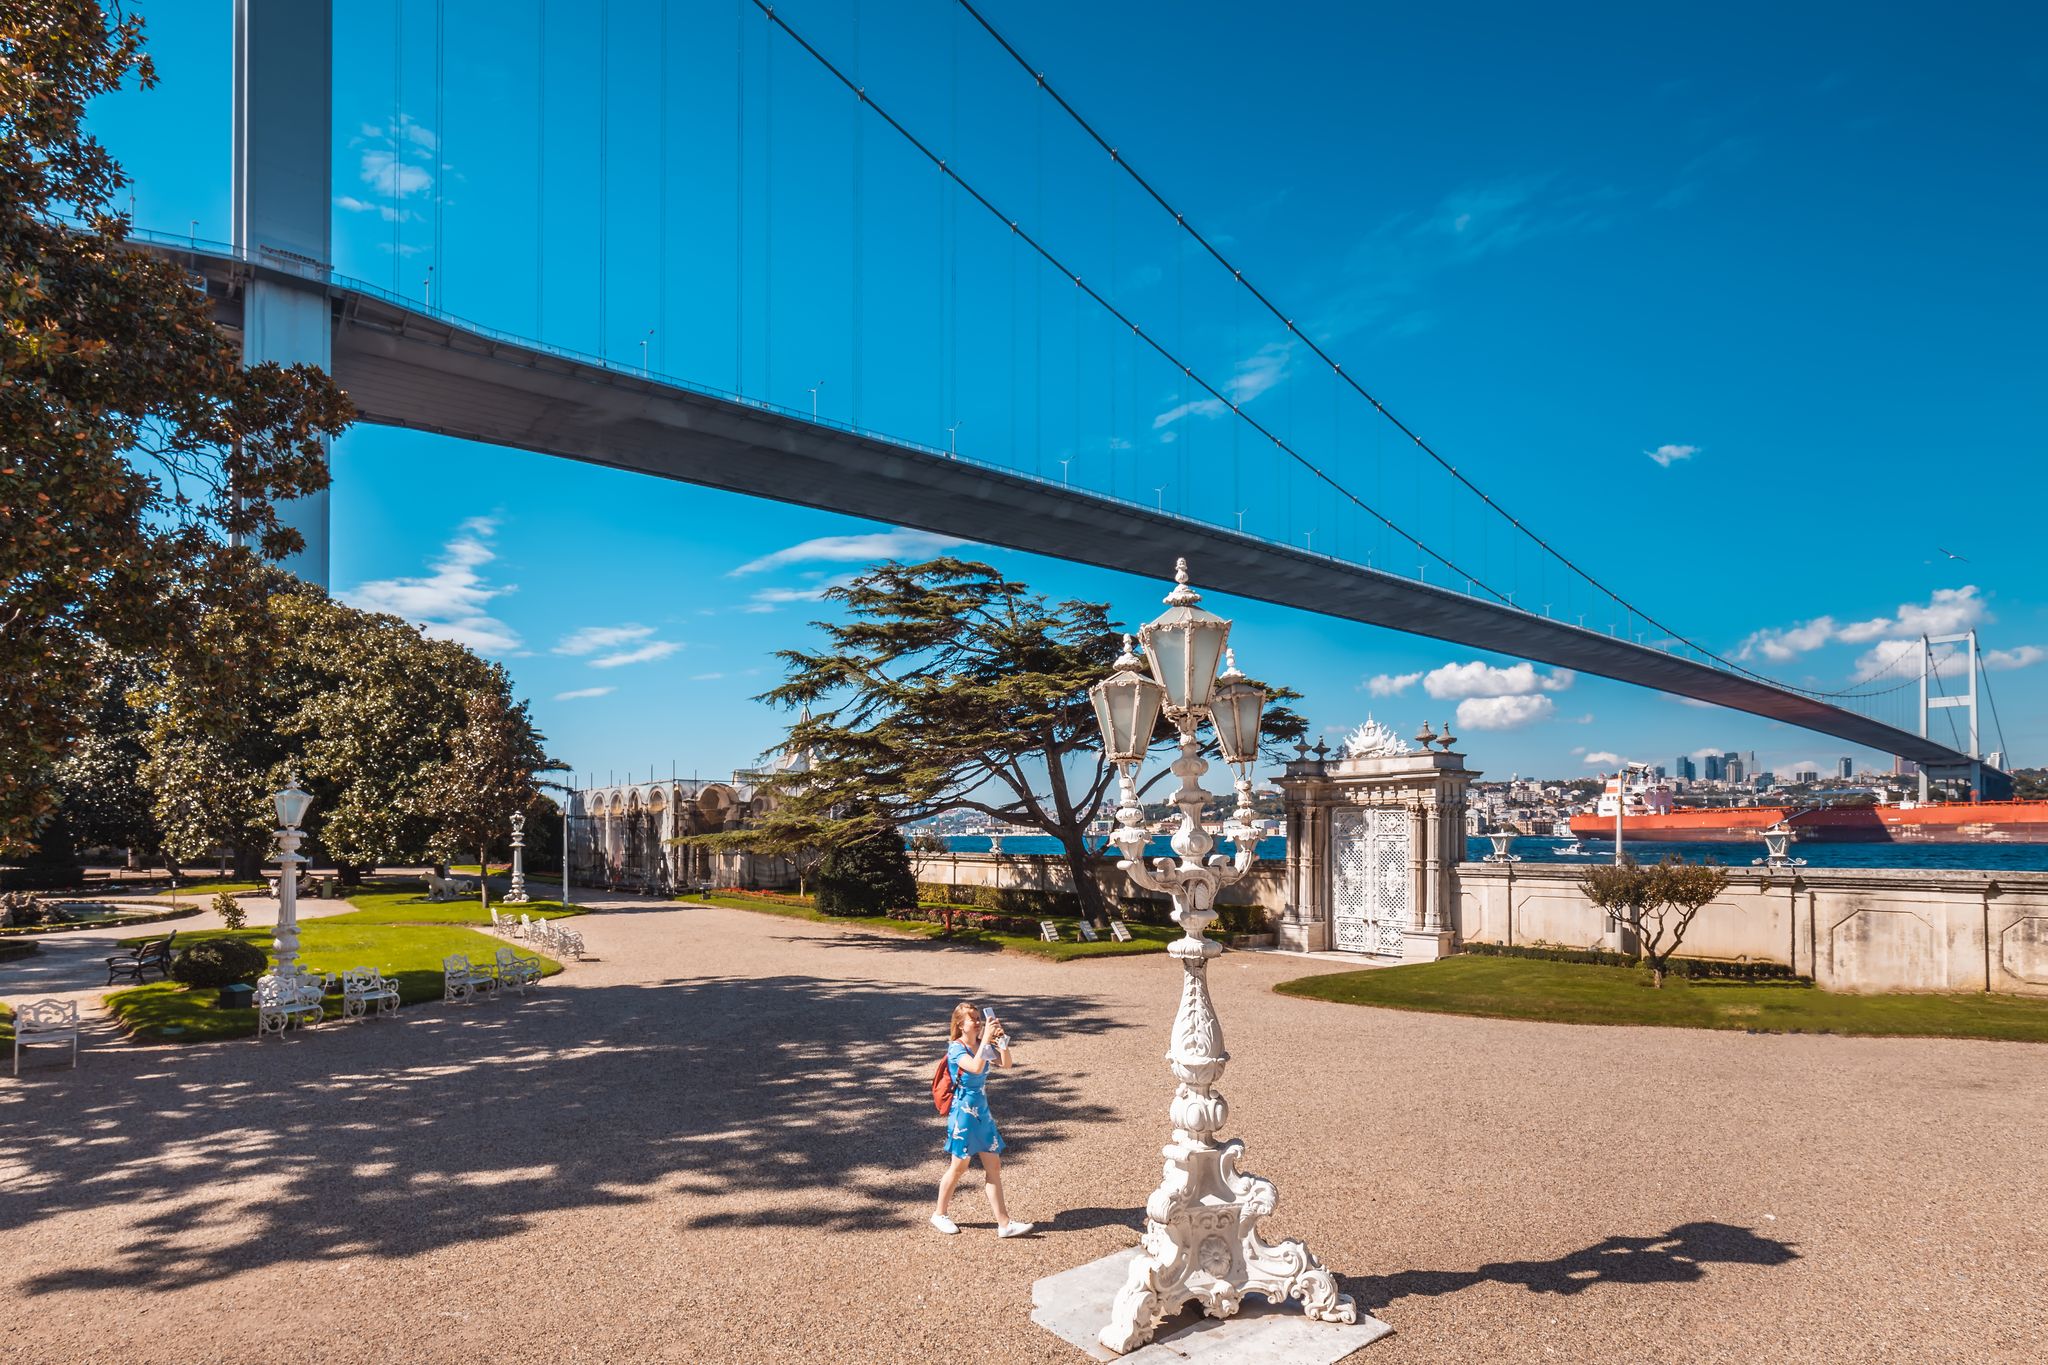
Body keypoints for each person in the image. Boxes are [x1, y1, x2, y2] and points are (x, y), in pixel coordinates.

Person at [931, 999, 1032, 1238]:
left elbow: (1006, 1064)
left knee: (993, 1167)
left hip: (982, 1113)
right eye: (972, 1020)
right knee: (959, 1167)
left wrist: (1001, 1042)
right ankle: (939, 1214)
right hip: (963, 1114)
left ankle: (1004, 1224)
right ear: (960, 1024)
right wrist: (986, 1037)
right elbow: (975, 1068)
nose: (977, 1022)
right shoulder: (956, 1049)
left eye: (979, 1018)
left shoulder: (981, 1043)